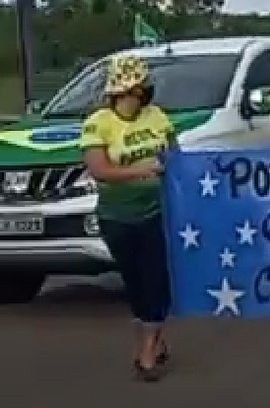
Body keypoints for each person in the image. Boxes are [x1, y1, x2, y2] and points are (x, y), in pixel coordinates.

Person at [80, 54, 176, 382]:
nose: (140, 95)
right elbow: (100, 171)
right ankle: (153, 335)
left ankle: (146, 352)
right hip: (117, 215)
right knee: (135, 282)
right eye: (134, 90)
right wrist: (141, 170)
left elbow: (175, 157)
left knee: (157, 280)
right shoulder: (99, 123)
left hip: (157, 211)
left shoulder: (158, 117)